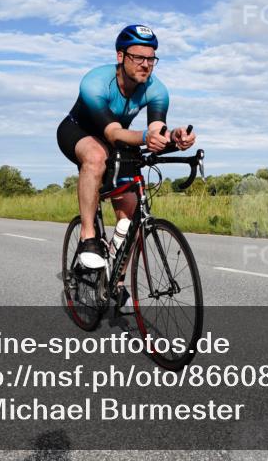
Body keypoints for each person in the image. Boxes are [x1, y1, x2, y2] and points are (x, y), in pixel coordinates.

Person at [57, 24, 195, 309]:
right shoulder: (95, 83)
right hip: (79, 132)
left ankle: (116, 280)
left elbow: (156, 129)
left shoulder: (156, 89)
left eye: (152, 58)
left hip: (119, 138)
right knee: (96, 156)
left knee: (129, 216)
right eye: (138, 57)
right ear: (121, 56)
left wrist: (174, 138)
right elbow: (112, 134)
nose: (146, 64)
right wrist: (146, 137)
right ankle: (87, 236)